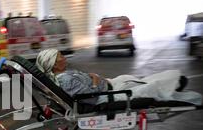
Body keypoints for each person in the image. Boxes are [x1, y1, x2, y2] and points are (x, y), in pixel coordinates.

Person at [35, 49, 202, 106]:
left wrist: (96, 78)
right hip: (108, 96)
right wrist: (94, 78)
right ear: (54, 65)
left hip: (110, 85)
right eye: (60, 57)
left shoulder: (64, 74)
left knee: (135, 79)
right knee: (149, 86)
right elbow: (91, 98)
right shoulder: (65, 80)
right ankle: (172, 86)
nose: (64, 58)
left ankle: (172, 82)